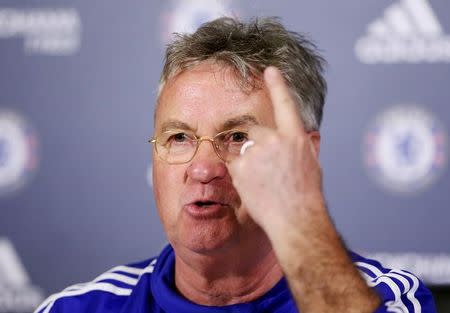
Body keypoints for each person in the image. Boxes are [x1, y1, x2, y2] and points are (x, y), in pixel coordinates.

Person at [35, 17, 436, 313]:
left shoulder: (385, 297)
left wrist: (300, 218)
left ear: (305, 156)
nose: (203, 168)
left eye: (238, 137)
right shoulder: (80, 308)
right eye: (179, 138)